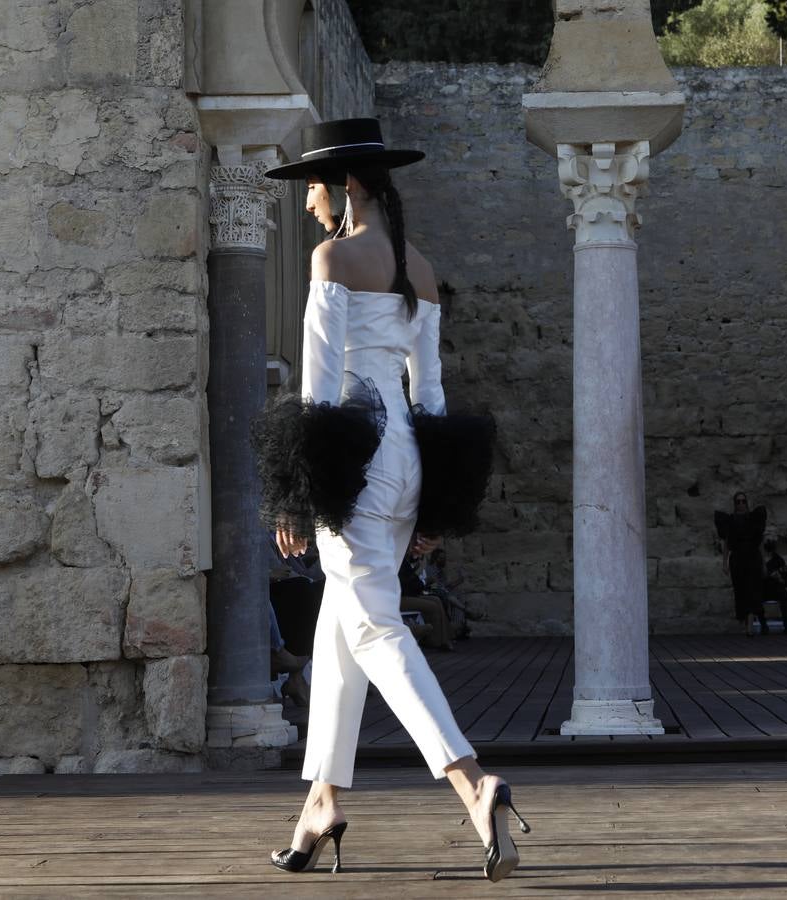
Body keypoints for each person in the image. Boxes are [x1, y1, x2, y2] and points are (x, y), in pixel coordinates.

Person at [261, 119, 527, 881]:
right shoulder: (421, 267)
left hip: (353, 458)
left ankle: (473, 785)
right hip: (407, 456)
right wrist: (436, 506)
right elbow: (432, 394)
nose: (308, 199)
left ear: (347, 186)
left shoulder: (333, 257)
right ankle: (320, 803)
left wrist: (294, 495)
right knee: (341, 626)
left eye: (313, 185)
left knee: (375, 628)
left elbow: (318, 387)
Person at [715, 493, 769, 636]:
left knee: (752, 590)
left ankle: (750, 626)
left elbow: (760, 542)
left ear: (747, 503)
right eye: (738, 502)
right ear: (734, 504)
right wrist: (724, 563)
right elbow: (727, 543)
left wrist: (764, 563)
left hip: (752, 557)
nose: (741, 504)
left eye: (743, 501)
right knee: (741, 591)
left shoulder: (754, 519)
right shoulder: (731, 521)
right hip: (737, 559)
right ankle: (746, 623)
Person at [763, 538, 787, 633]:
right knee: (754, 596)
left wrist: (780, 579)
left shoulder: (779, 560)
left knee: (784, 594)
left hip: (775, 590)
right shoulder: (758, 560)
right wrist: (767, 576)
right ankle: (764, 626)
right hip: (762, 589)